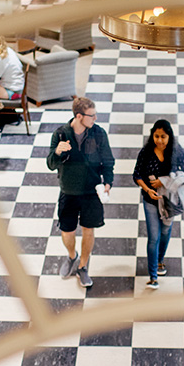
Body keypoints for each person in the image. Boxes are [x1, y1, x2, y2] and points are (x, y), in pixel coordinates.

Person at [48, 97, 114, 289]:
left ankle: (83, 266)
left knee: (88, 230)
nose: (95, 119)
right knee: (67, 232)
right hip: (68, 192)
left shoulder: (99, 134)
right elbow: (51, 164)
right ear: (79, 116)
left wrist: (108, 183)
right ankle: (71, 256)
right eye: (91, 115)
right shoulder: (60, 135)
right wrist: (57, 153)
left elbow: (108, 161)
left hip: (91, 192)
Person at [133, 119, 184, 289]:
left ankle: (159, 261)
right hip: (150, 200)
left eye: (163, 136)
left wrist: (163, 182)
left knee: (165, 232)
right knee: (153, 237)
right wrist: (148, 189)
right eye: (156, 136)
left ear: (169, 136)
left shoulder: (176, 152)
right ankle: (153, 276)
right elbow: (136, 175)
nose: (159, 140)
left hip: (169, 201)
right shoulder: (146, 152)